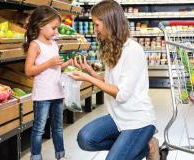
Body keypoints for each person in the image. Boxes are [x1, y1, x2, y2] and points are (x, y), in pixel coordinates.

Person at [68, 0, 159, 160]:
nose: (95, 29)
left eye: (97, 24)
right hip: (118, 117)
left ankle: (147, 146)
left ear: (109, 22)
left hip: (138, 120)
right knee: (85, 139)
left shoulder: (133, 51)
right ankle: (142, 145)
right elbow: (110, 85)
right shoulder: (114, 47)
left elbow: (122, 94)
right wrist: (89, 71)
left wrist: (88, 78)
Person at [23, 5, 72, 160]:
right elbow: (29, 70)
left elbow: (55, 69)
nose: (56, 32)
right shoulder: (35, 45)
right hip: (43, 95)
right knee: (38, 129)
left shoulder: (54, 44)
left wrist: (68, 64)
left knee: (58, 127)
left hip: (57, 92)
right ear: (41, 25)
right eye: (54, 28)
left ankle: (60, 155)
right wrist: (50, 63)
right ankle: (36, 156)